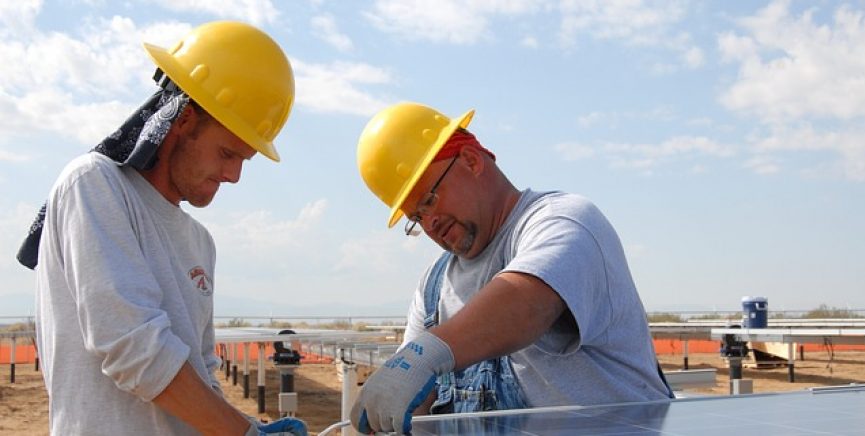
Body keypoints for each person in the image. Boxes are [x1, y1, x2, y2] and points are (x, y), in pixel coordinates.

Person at [21, 21, 305, 436]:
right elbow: (133, 349)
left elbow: (200, 372)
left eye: (246, 159)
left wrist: (243, 425)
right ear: (184, 120)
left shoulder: (199, 242)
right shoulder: (95, 185)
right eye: (227, 152)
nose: (234, 175)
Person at [351, 102, 672, 433]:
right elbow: (415, 401)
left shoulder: (563, 221)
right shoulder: (433, 288)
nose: (430, 223)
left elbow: (527, 303)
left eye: (429, 200)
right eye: (415, 218)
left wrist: (425, 355)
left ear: (471, 161)